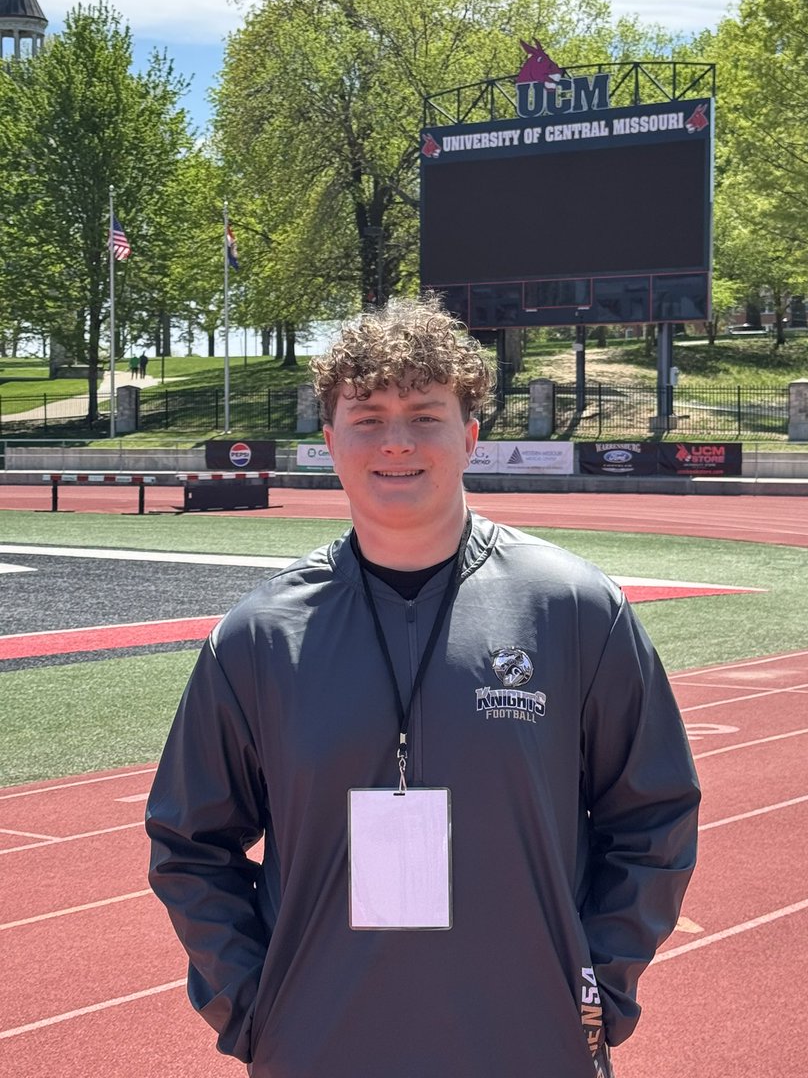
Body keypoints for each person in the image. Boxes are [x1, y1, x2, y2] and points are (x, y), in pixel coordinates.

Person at [146, 296, 700, 1078]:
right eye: (367, 417)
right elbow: (188, 844)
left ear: (469, 436)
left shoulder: (574, 610)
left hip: (530, 1043)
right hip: (319, 1045)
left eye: (425, 415)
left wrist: (597, 987)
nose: (396, 442)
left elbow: (655, 813)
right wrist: (251, 1005)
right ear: (329, 441)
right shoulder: (261, 636)